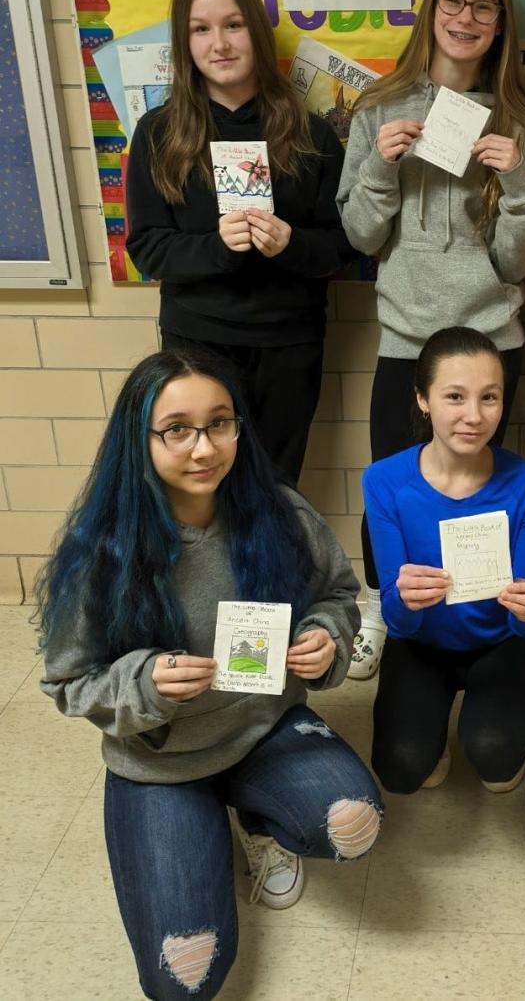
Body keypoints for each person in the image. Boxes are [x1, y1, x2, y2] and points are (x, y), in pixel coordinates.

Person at [37, 349, 382, 1001]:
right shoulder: (101, 546)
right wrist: (144, 681)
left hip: (264, 727)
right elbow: (65, 681)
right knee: (185, 981)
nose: (204, 447)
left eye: (220, 423)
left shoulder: (275, 510)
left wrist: (324, 638)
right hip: (160, 763)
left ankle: (257, 819)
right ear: (138, 439)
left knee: (352, 822)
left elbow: (338, 594)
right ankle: (196, 825)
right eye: (178, 429)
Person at [337, 0, 525, 680]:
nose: (466, 17)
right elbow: (360, 236)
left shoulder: (519, 121)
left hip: (488, 338)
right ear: (433, 10)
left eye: (483, 6)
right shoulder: (378, 108)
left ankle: (498, 606)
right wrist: (380, 167)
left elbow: (519, 261)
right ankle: (380, 605)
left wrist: (518, 180)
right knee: (392, 484)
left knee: (480, 486)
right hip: (406, 339)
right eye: (454, 0)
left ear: (500, 25)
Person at [126, 0, 356, 484]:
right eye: (200, 30)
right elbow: (147, 248)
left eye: (233, 25)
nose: (220, 43)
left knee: (275, 487)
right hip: (197, 342)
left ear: (255, 30)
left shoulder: (312, 134)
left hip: (288, 343)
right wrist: (217, 247)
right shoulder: (158, 134)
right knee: (202, 488)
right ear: (184, 43)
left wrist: (290, 244)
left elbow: (344, 246)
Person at [362, 327, 525, 794]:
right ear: (423, 400)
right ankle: (430, 733)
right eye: (454, 396)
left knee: (496, 757)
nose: (473, 416)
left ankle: (495, 733)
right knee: (403, 769)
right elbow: (398, 622)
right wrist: (405, 600)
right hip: (422, 642)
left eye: (489, 397)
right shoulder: (385, 481)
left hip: (501, 641)